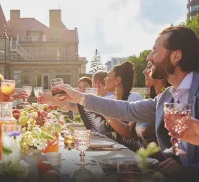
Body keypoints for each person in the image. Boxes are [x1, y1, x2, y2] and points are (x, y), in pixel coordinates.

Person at [52, 26, 199, 180]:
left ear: (176, 57)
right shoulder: (166, 97)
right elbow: (128, 110)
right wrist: (79, 97)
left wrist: (188, 170)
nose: (149, 57)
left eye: (155, 51)